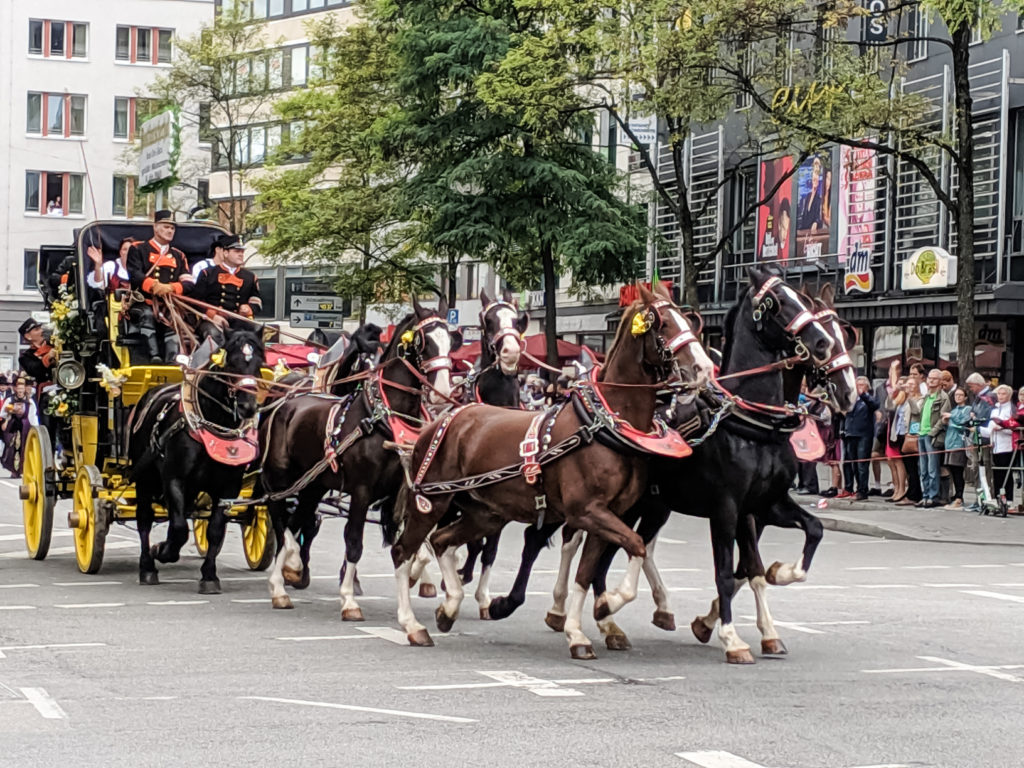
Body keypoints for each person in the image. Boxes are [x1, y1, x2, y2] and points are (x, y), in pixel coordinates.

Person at [126, 210, 193, 362]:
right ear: (155, 228)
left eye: (172, 228)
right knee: (147, 316)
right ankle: (153, 356)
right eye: (166, 227)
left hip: (169, 304)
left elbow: (188, 283)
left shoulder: (179, 255)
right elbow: (135, 275)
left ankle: (172, 360)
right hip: (144, 302)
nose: (170, 231)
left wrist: (171, 288)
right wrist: (154, 286)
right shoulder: (138, 249)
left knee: (173, 318)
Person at [190, 235, 261, 344]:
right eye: (237, 251)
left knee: (257, 331)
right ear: (225, 253)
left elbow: (256, 300)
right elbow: (196, 300)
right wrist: (213, 316)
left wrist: (249, 308)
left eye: (242, 252)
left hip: (239, 320)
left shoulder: (250, 277)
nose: (241, 254)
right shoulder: (207, 273)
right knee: (213, 334)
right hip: (211, 320)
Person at [839, 376, 879, 501]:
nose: (859, 387)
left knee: (862, 463)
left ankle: (863, 490)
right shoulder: (852, 399)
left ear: (867, 386)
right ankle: (855, 488)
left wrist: (863, 395)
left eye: (862, 385)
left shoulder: (868, 398)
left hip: (864, 434)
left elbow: (875, 405)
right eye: (857, 385)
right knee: (853, 464)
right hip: (851, 433)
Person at [981, 384, 1021, 508]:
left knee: (1006, 474)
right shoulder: (994, 409)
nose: (1001, 396)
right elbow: (990, 427)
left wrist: (1001, 428)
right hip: (995, 446)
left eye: (1003, 394)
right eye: (999, 393)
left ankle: (1008, 500)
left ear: (1009, 395)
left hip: (1007, 445)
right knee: (997, 474)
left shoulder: (1012, 409)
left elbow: (1013, 428)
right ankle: (998, 498)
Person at [916, 368, 950, 508]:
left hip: (932, 436)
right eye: (929, 378)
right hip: (921, 434)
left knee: (932, 468)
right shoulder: (925, 397)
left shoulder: (943, 397)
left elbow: (943, 418)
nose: (931, 381)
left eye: (934, 378)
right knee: (922, 468)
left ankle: (933, 496)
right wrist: (916, 430)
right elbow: (919, 415)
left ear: (940, 381)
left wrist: (932, 432)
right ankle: (924, 495)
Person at [1, 377, 39, 478]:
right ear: (15, 389)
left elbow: (32, 415)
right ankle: (13, 470)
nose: (20, 391)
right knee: (12, 447)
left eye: (22, 389)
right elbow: (3, 413)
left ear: (25, 389)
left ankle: (21, 470)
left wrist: (35, 428)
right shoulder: (10, 399)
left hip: (25, 426)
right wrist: (9, 413)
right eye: (19, 389)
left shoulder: (29, 401)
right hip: (13, 425)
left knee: (24, 448)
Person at [942, 387, 972, 509]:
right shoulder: (953, 410)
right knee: (952, 470)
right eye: (956, 395)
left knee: (958, 470)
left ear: (965, 397)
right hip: (949, 442)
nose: (958, 397)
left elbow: (963, 423)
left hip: (959, 443)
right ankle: (956, 494)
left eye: (960, 395)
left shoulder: (967, 409)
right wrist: (945, 422)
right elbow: (949, 426)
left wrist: (951, 418)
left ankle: (959, 496)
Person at [884, 370, 909, 504]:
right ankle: (897, 488)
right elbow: (888, 406)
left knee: (899, 462)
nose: (898, 386)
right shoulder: (897, 397)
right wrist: (893, 392)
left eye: (901, 384)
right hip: (892, 431)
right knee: (892, 461)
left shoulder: (907, 398)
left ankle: (902, 489)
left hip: (900, 432)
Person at [18, 318, 55, 385]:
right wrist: (48, 357)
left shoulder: (53, 343)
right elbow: (35, 369)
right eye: (37, 329)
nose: (41, 331)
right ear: (28, 336)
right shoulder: (25, 357)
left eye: (40, 328)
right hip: (48, 391)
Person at [797, 156, 824, 232]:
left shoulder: (820, 196)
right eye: (814, 171)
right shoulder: (805, 196)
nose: (815, 177)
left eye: (817, 172)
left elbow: (819, 215)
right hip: (804, 231)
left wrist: (816, 222)